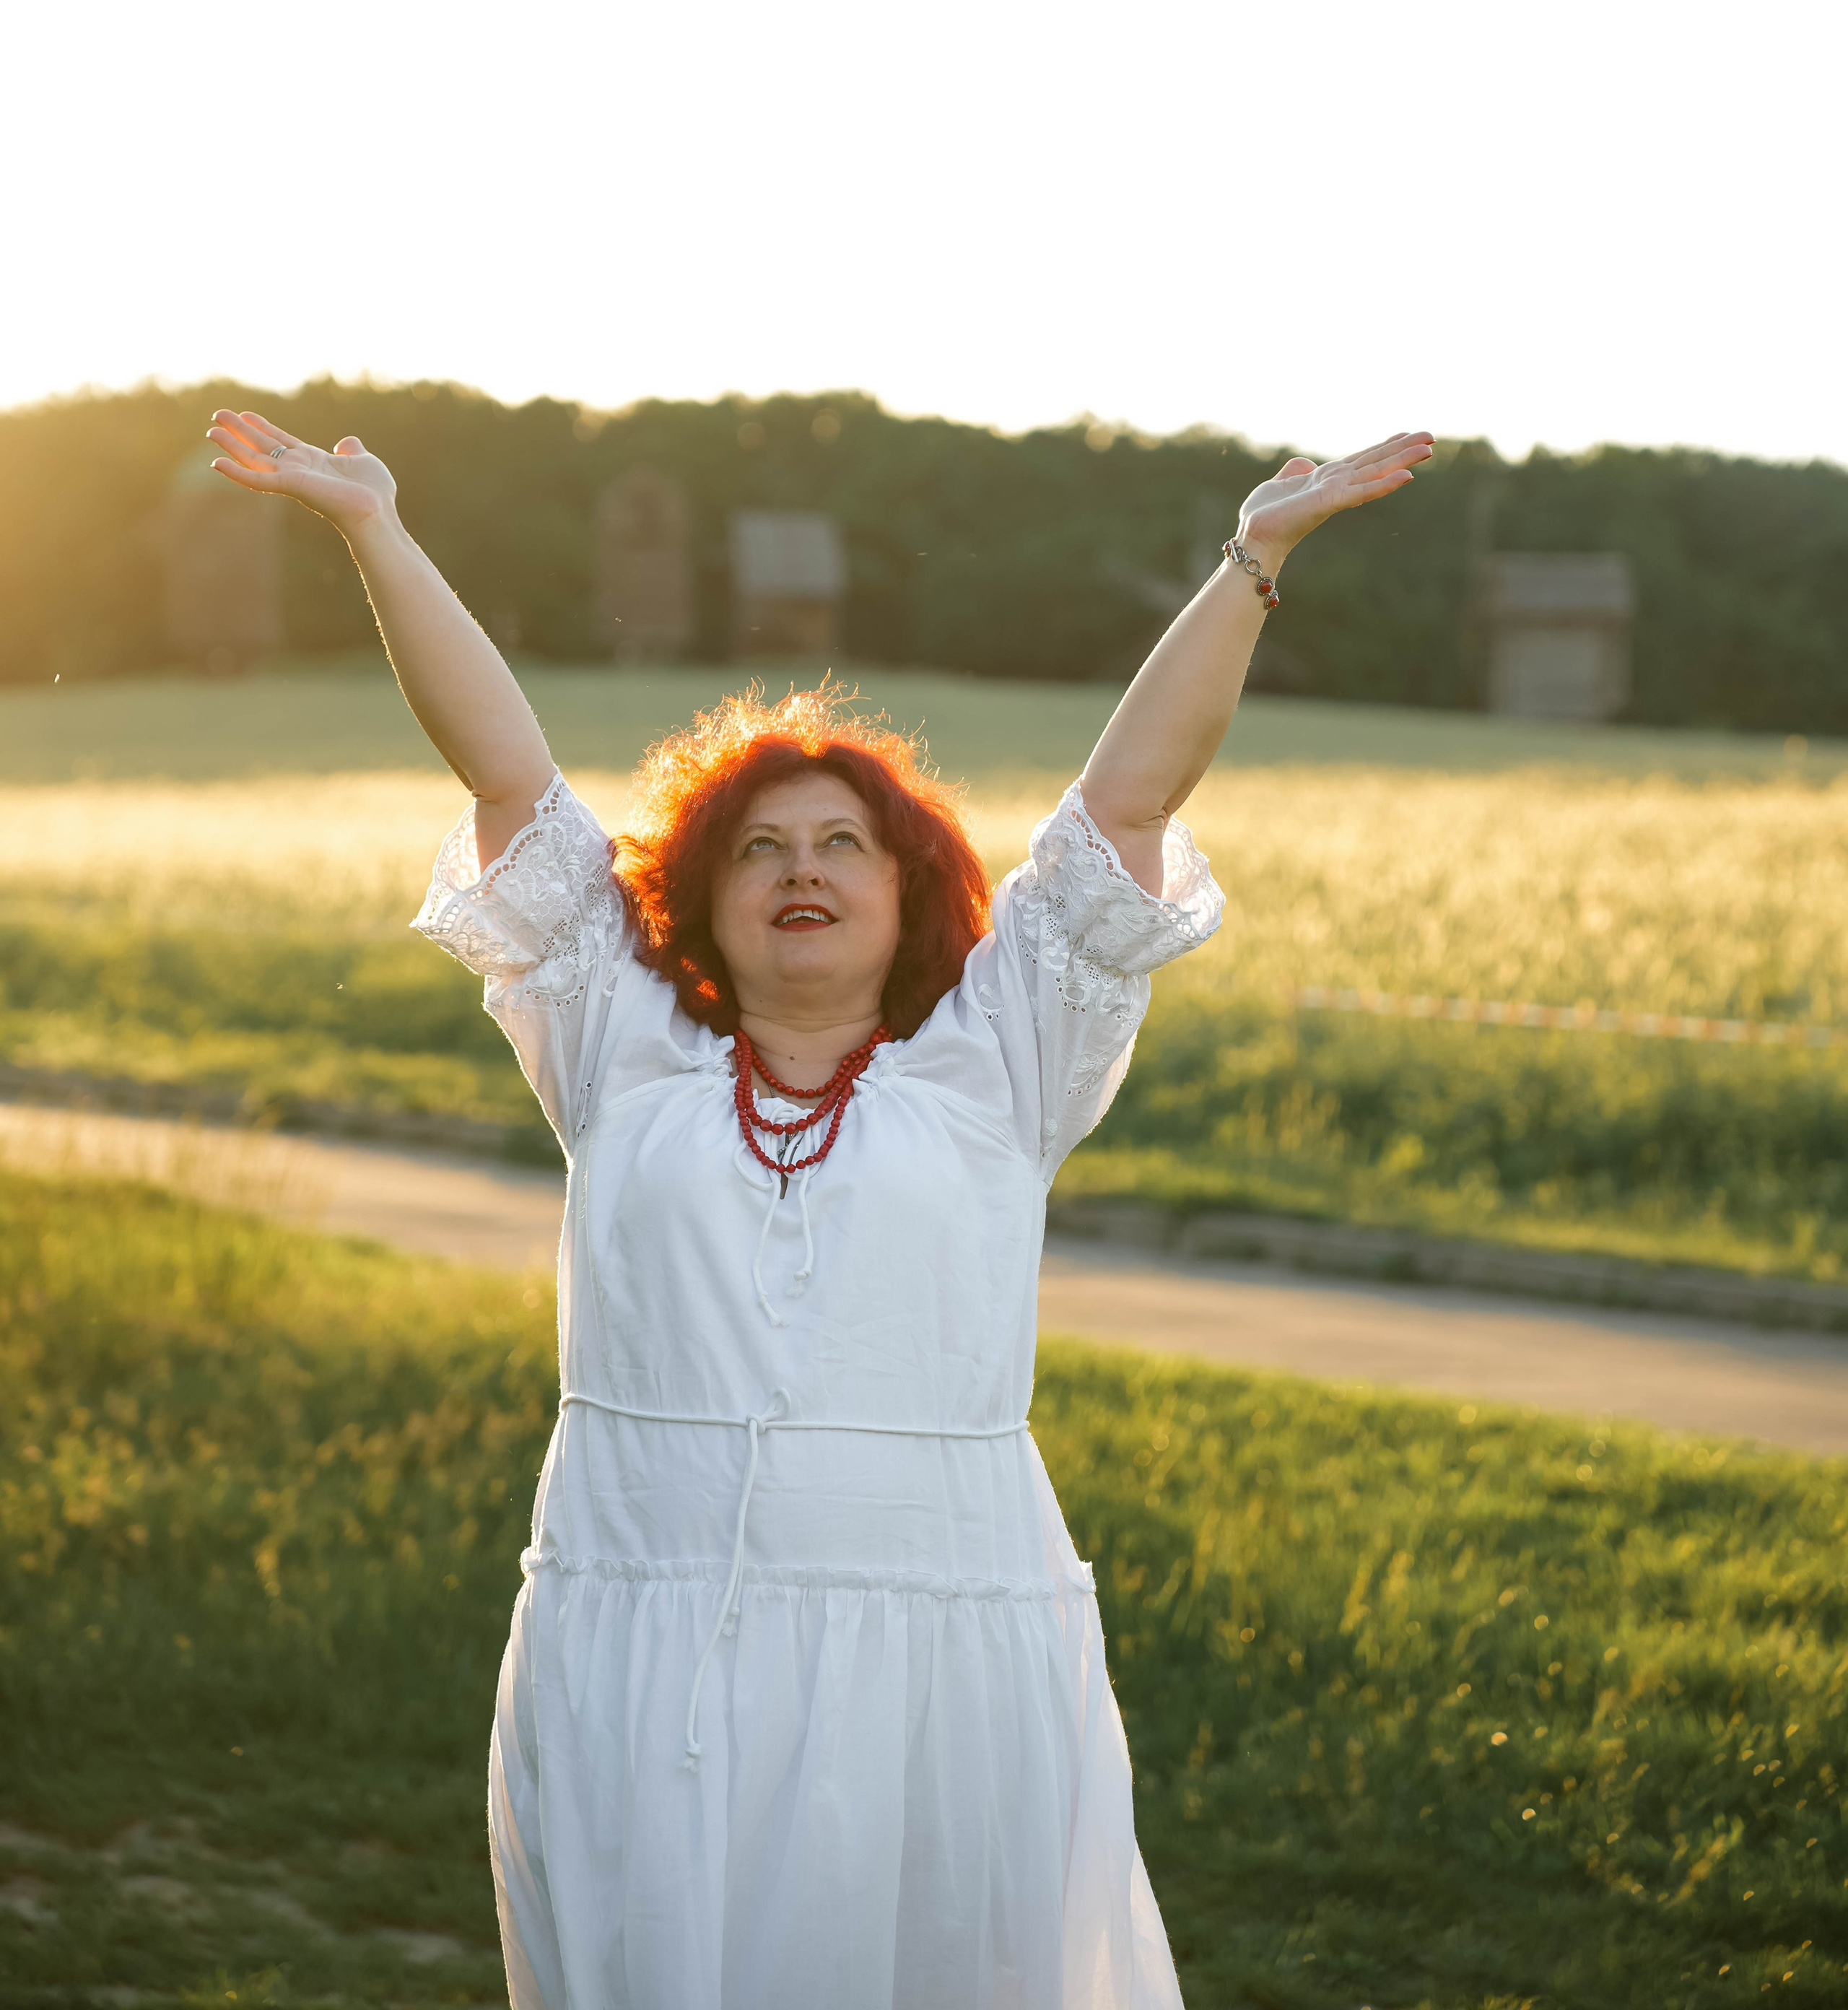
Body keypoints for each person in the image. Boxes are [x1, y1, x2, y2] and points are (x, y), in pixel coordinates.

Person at [207, 408, 1432, 2010]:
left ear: (909, 891)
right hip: (636, 1631)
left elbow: (1120, 807)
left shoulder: (1002, 1059)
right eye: (760, 849)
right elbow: (507, 772)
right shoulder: (616, 1045)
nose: (803, 868)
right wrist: (373, 524)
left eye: (843, 844)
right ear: (699, 903)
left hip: (940, 1641)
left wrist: (1249, 557)